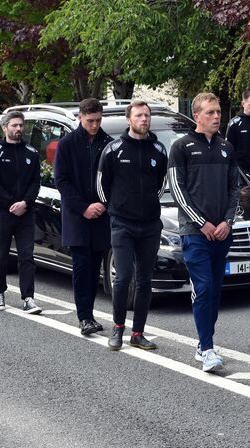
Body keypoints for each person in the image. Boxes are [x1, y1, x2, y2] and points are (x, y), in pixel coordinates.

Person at [169, 92, 239, 372]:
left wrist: (227, 222)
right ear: (196, 115)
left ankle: (204, 343)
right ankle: (207, 348)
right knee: (204, 287)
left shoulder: (226, 148)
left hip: (221, 231)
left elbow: (234, 189)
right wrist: (202, 222)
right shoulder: (182, 147)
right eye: (210, 112)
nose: (216, 117)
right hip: (195, 232)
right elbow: (177, 189)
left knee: (215, 291)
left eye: (218, 112)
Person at [97, 101, 168, 351]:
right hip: (122, 223)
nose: (144, 119)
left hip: (149, 224)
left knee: (145, 280)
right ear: (129, 119)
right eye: (139, 115)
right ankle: (117, 328)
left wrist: (147, 204)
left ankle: (138, 333)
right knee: (123, 275)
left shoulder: (159, 150)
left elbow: (161, 184)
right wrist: (116, 208)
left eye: (147, 115)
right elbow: (102, 185)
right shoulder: (113, 149)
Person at [54, 98, 113, 334]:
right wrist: (83, 208)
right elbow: (62, 181)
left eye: (98, 120)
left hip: (101, 215)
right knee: (81, 268)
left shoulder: (108, 143)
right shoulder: (67, 144)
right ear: (80, 117)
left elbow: (114, 180)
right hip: (77, 217)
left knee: (95, 269)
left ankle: (90, 314)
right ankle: (84, 317)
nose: (95, 125)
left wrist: (102, 204)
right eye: (90, 121)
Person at [0, 111, 42, 314]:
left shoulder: (31, 153)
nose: (18, 129)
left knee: (27, 257)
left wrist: (25, 203)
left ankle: (28, 298)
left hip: (26, 213)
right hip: (3, 212)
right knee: (0, 257)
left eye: (21, 125)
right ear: (5, 127)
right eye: (14, 125)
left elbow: (36, 182)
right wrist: (11, 203)